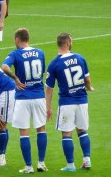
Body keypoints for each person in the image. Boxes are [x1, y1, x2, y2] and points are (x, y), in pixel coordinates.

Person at [45, 33, 94, 172]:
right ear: (67, 43)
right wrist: (89, 88)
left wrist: (48, 107)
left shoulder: (54, 64)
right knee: (82, 131)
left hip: (67, 103)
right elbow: (87, 80)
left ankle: (70, 166)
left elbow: (49, 89)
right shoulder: (80, 58)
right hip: (82, 101)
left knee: (67, 133)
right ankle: (87, 160)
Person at [1, 28, 48, 173]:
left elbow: (4, 67)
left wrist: (15, 78)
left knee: (24, 133)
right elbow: (42, 73)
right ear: (28, 38)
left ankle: (28, 166)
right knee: (41, 129)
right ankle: (41, 163)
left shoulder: (15, 53)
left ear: (17, 40)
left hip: (23, 97)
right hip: (39, 96)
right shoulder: (40, 52)